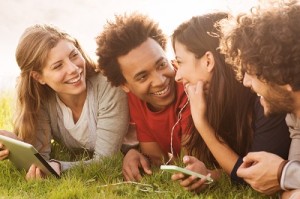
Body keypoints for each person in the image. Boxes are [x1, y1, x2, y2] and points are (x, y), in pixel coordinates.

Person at [170, 12, 291, 192]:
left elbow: (251, 176)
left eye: (180, 62)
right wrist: (211, 174)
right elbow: (238, 163)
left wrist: (202, 124)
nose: (178, 76)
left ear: (208, 61)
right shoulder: (216, 100)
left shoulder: (264, 98)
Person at [0, 24, 129, 180]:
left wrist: (59, 166)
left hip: (140, 149)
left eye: (74, 55)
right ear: (38, 77)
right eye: (58, 66)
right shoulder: (42, 99)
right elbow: (42, 157)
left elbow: (105, 160)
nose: (73, 68)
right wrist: (16, 145)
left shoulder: (107, 85)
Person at [96, 12, 191, 182]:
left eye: (162, 64)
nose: (160, 81)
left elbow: (188, 163)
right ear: (125, 85)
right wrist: (137, 156)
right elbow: (156, 158)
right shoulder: (135, 98)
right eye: (142, 77)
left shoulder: (189, 86)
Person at [219, 1, 300, 198]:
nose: (245, 81)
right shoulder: (294, 117)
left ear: (283, 75)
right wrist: (284, 177)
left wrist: (283, 172)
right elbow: (290, 191)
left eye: (250, 72)